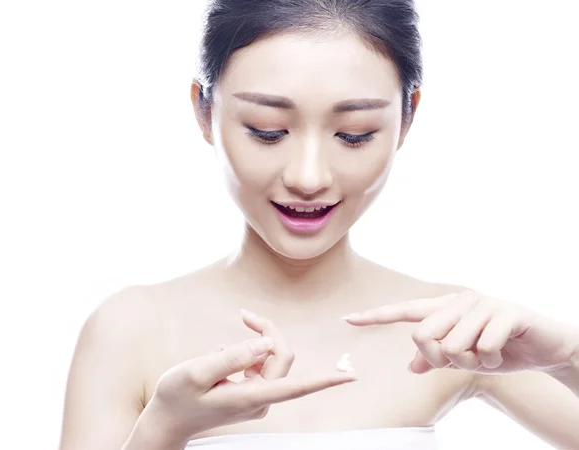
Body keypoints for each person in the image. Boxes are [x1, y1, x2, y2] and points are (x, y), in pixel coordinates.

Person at [58, 1, 579, 449]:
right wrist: (162, 432)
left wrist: (569, 356)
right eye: (268, 131)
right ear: (203, 110)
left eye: (353, 134)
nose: (309, 177)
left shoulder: (448, 332)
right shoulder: (129, 329)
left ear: (406, 119)